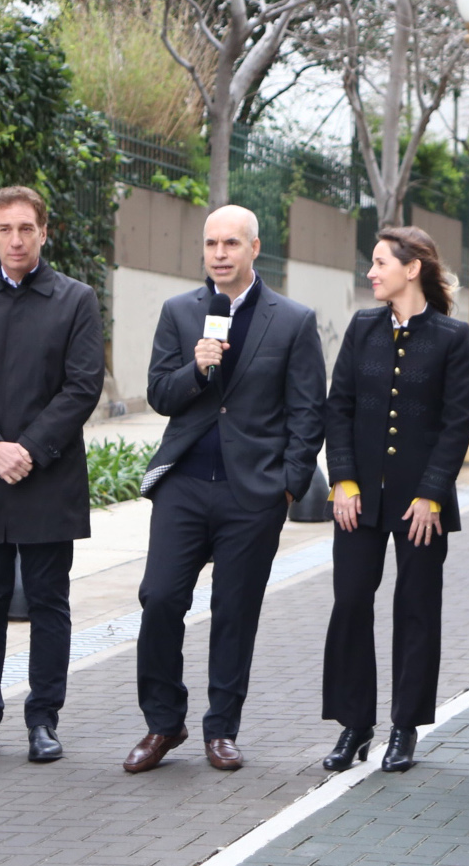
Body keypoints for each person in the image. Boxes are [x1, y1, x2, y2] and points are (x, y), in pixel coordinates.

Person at [125, 205, 326, 774]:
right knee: (159, 598)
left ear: (254, 248)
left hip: (253, 493)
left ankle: (222, 730)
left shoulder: (293, 320)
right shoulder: (180, 312)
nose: (219, 254)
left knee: (234, 611)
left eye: (231, 243)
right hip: (185, 484)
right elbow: (160, 394)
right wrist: (196, 369)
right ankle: (164, 723)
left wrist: (289, 486)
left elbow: (308, 411)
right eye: (211, 243)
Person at [0, 185, 106, 764]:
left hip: (48, 476)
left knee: (49, 602)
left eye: (26, 229)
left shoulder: (76, 300)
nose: (16, 240)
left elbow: (82, 385)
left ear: (44, 232)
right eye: (5, 229)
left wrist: (28, 449)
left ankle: (43, 721)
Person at [320, 227, 469, 774]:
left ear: (412, 269)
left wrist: (433, 494)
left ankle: (404, 727)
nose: (371, 272)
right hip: (358, 499)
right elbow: (337, 407)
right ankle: (354, 724)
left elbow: (458, 423)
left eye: (380, 262)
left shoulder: (452, 337)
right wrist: (342, 479)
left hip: (420, 504)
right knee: (350, 603)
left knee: (416, 610)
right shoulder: (361, 327)